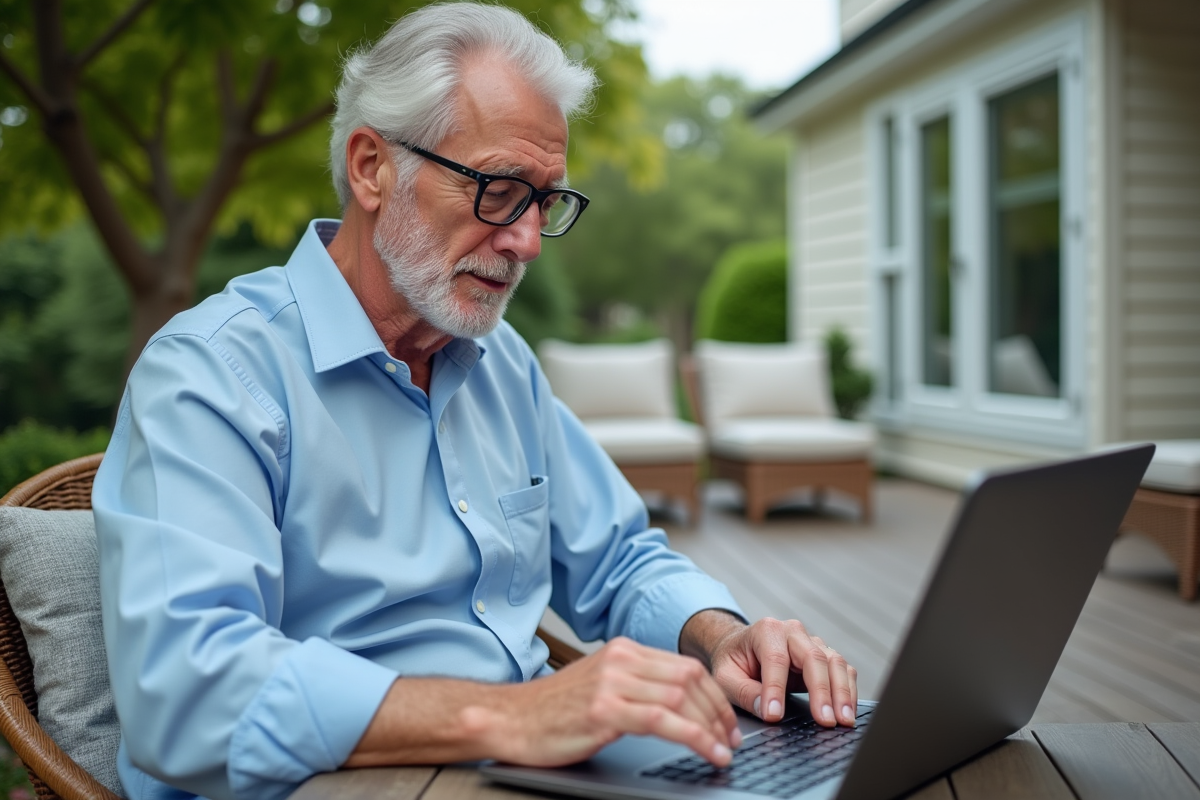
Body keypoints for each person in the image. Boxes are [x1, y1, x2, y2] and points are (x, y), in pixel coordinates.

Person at [91, 5, 858, 800]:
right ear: (372, 168)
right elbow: (185, 692)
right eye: (499, 190)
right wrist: (512, 717)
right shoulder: (211, 374)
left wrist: (722, 638)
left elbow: (618, 557)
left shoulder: (501, 363)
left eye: (545, 201)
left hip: (527, 770)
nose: (526, 240)